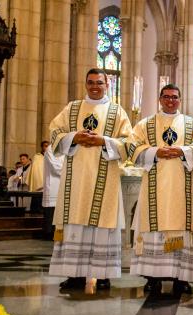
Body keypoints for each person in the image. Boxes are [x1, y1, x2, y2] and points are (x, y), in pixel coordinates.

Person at [48, 68, 132, 291]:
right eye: (91, 82)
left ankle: (103, 275)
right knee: (74, 222)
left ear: (107, 85)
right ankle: (74, 275)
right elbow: (54, 132)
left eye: (99, 83)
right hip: (75, 180)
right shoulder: (72, 108)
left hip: (105, 178)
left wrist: (102, 141)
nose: (95, 86)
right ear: (86, 84)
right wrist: (74, 137)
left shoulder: (117, 112)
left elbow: (128, 143)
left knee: (103, 223)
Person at [127, 84, 193, 296]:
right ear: (160, 99)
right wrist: (154, 152)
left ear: (180, 100)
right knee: (154, 229)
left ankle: (182, 279)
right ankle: (153, 277)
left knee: (182, 229)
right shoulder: (145, 124)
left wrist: (183, 150)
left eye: (175, 97)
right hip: (155, 188)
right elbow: (131, 147)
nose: (171, 101)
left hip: (183, 188)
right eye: (167, 97)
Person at [42, 144, 64, 240]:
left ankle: (60, 234)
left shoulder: (68, 147)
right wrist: (72, 170)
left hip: (64, 184)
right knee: (51, 212)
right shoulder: (51, 149)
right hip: (53, 185)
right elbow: (56, 168)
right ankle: (49, 234)